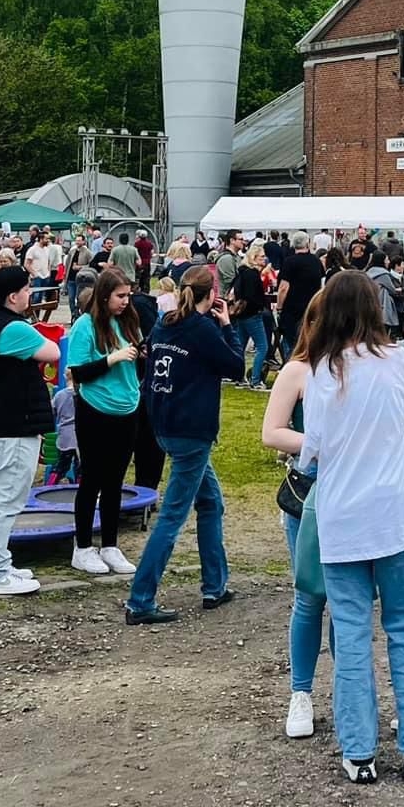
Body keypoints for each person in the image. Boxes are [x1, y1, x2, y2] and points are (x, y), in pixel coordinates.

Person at [290, 270, 404, 784]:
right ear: (374, 310)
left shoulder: (317, 372)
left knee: (353, 633)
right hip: (394, 517)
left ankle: (358, 753)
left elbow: (311, 446)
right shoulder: (394, 363)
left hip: (340, 519)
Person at [125, 264, 242, 624]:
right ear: (212, 294)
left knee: (210, 503)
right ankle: (140, 600)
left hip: (164, 423)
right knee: (172, 516)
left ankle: (215, 585)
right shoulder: (202, 329)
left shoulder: (166, 323)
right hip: (191, 431)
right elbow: (236, 366)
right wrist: (228, 326)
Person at [0, 264, 62, 597]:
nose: (29, 295)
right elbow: (52, 352)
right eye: (26, 290)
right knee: (4, 502)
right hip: (10, 426)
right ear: (13, 295)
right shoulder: (11, 328)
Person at [261, 294, 328, 741]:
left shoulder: (359, 368)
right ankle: (300, 693)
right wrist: (319, 442)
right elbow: (271, 432)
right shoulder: (297, 369)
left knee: (351, 603)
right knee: (309, 596)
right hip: (308, 497)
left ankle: (350, 691)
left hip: (355, 496)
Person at [61, 267, 143, 577]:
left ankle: (110, 544)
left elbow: (137, 360)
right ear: (104, 295)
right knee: (92, 479)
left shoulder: (128, 320)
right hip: (95, 408)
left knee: (115, 481)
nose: (126, 301)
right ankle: (82, 546)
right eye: (120, 296)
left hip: (127, 407)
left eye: (128, 295)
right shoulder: (85, 325)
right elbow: (76, 372)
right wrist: (113, 358)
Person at [228, 243, 275, 387]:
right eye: (261, 256)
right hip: (252, 314)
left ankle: (237, 376)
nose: (264, 259)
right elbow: (252, 296)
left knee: (240, 345)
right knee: (262, 346)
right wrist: (262, 305)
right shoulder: (252, 274)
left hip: (241, 314)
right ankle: (255, 379)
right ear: (254, 258)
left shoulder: (242, 271)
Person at [276, 236, 325, 361]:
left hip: (292, 309)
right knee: (309, 341)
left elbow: (283, 287)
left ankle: (289, 366)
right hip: (311, 308)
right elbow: (322, 285)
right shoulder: (316, 261)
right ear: (307, 244)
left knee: (290, 342)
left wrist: (279, 307)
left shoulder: (289, 262)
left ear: (293, 245)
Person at [365, 242, 404, 344]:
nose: (388, 261)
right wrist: (402, 290)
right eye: (386, 259)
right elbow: (393, 290)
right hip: (383, 306)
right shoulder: (383, 274)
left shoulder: (368, 272)